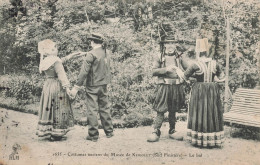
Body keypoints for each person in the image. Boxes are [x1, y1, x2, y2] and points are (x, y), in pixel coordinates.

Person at [174, 35, 225, 148]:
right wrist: (213, 80)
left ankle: (200, 140)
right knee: (211, 112)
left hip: (200, 91)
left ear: (198, 52)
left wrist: (178, 70)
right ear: (207, 52)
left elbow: (184, 77)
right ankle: (213, 140)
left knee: (200, 111)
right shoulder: (215, 64)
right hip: (212, 90)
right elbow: (222, 78)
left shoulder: (195, 64)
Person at [70, 33, 114, 142]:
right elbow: (102, 59)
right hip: (104, 85)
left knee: (92, 110)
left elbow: (83, 73)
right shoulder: (107, 52)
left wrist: (76, 87)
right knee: (105, 108)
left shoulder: (91, 54)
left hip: (92, 86)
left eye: (90, 41)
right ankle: (109, 132)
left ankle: (93, 135)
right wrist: (85, 53)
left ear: (92, 42)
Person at [36, 39, 81, 141]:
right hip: (57, 86)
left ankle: (48, 131)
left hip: (48, 86)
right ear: (52, 49)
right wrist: (68, 89)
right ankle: (57, 134)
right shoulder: (56, 61)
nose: (57, 50)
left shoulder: (45, 60)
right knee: (59, 107)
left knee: (49, 107)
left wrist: (73, 55)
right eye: (55, 48)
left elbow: (61, 60)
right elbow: (62, 76)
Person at [147, 41, 187, 142]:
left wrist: (183, 73)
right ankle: (156, 131)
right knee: (161, 109)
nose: (170, 46)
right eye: (168, 43)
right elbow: (153, 71)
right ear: (164, 45)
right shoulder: (160, 56)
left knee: (173, 110)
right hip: (163, 87)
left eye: (173, 43)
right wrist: (166, 69)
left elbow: (189, 69)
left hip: (176, 87)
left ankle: (172, 130)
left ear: (175, 45)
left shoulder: (179, 57)